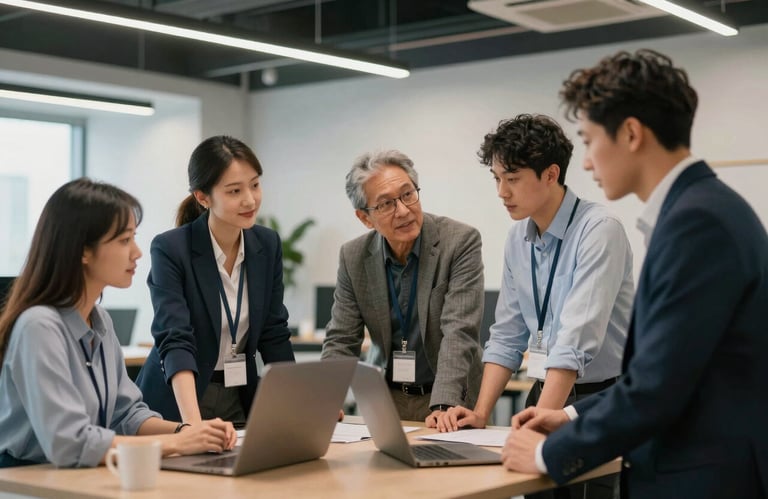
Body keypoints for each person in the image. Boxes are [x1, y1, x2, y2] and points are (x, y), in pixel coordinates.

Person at [501, 49, 768, 499]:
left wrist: (549, 453)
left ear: (630, 133)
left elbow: (657, 390)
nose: (585, 162)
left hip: (705, 478)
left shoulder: (696, 222)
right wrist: (569, 417)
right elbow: (666, 370)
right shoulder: (704, 208)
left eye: (587, 140)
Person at [439, 114, 633, 499]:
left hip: (597, 401)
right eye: (496, 179)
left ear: (550, 174)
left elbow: (576, 340)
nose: (501, 192)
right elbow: (508, 334)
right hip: (543, 394)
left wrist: (539, 427)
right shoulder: (518, 238)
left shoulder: (599, 230)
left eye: (512, 179)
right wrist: (480, 413)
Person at [0, 178, 235, 468]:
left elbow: (125, 414)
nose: (137, 252)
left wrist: (188, 431)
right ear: (83, 250)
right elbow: (70, 443)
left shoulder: (100, 321)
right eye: (125, 240)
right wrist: (177, 443)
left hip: (82, 476)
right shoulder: (39, 327)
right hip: (29, 479)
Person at [136, 136, 295, 424]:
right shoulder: (172, 249)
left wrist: (301, 401)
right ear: (203, 197)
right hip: (178, 401)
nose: (250, 199)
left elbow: (273, 332)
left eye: (255, 185)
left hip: (238, 396)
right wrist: (192, 427)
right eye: (234, 191)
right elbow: (175, 339)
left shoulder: (266, 244)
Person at [321, 150, 484, 424]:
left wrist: (445, 403)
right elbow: (342, 338)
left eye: (408, 194)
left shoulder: (459, 242)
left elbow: (459, 331)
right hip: (388, 399)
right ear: (365, 218)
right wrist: (324, 399)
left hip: (452, 397)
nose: (404, 211)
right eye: (385, 204)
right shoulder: (354, 256)